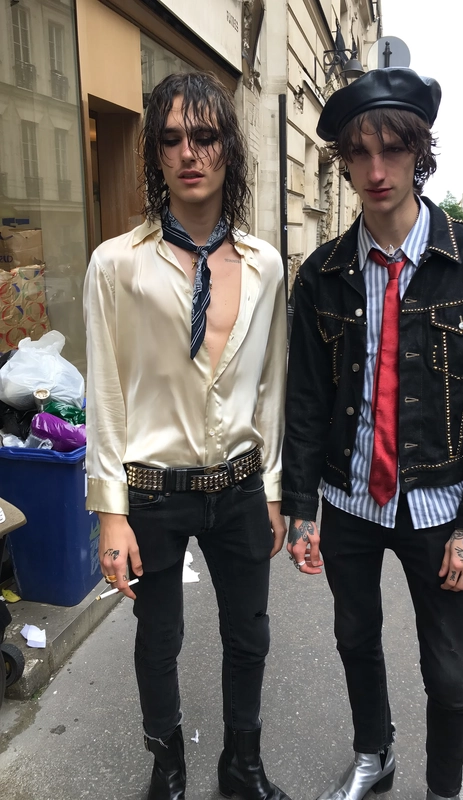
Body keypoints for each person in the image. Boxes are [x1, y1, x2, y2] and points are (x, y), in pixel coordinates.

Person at [282, 68, 463, 800]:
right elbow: (307, 398)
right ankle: (374, 755)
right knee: (355, 640)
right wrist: (300, 509)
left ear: (421, 152)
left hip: (439, 508)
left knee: (449, 671)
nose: (376, 171)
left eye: (393, 150)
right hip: (349, 500)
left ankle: (443, 789)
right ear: (344, 162)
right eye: (359, 153)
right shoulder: (322, 274)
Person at [84, 72, 290, 800]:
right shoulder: (117, 265)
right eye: (170, 139)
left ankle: (243, 764)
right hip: (153, 491)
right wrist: (110, 511)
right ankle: (167, 768)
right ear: (155, 154)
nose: (188, 153)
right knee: (158, 638)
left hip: (237, 488)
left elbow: (271, 388)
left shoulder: (267, 267)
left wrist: (272, 490)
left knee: (250, 634)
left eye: (203, 136)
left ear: (228, 148)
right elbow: (104, 391)